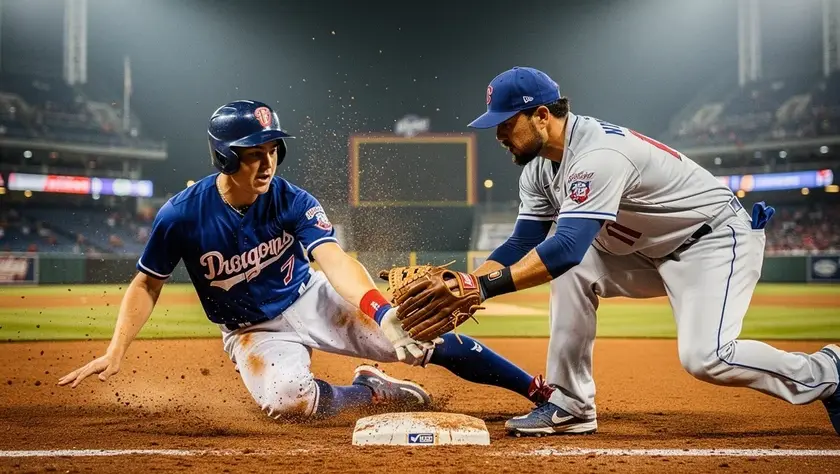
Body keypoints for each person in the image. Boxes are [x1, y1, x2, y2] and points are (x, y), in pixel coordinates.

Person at [58, 100, 554, 420]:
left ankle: (538, 392)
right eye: (255, 151)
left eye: (274, 149)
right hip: (253, 329)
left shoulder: (291, 198)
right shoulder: (181, 217)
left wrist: (385, 313)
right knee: (287, 404)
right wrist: (117, 349)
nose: (269, 161)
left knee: (424, 335)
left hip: (310, 297)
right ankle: (374, 394)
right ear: (225, 157)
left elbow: (334, 259)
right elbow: (146, 283)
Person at [436, 66, 839, 436]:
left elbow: (564, 250)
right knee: (574, 273)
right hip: (645, 249)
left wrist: (484, 288)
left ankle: (828, 371)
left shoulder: (598, 156)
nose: (499, 135)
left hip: (711, 242)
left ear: (542, 115)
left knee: (707, 357)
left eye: (506, 123)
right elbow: (523, 242)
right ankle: (571, 404)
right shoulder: (541, 168)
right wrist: (467, 282)